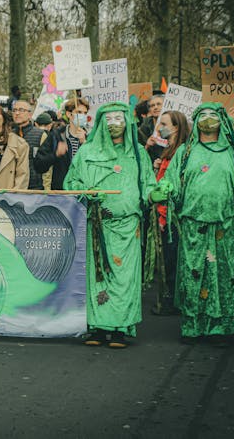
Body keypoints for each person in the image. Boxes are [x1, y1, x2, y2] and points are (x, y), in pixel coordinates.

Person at [158, 103, 234, 346]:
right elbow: (171, 179)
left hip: (226, 226)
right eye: (202, 115)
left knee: (225, 275)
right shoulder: (185, 152)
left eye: (213, 115)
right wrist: (165, 188)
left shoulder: (233, 152)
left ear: (222, 120)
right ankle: (194, 325)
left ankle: (222, 327)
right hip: (193, 226)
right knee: (194, 275)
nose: (208, 119)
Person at [64, 102, 157, 349]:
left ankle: (119, 328)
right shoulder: (86, 152)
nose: (114, 124)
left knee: (124, 277)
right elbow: (71, 182)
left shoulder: (138, 153)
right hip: (96, 225)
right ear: (100, 123)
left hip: (127, 227)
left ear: (128, 122)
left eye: (119, 119)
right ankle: (96, 326)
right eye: (109, 119)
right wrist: (85, 193)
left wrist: (154, 195)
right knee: (97, 277)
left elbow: (148, 183)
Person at [146, 111, 190, 316]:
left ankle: (173, 299)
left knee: (172, 261)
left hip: (171, 215)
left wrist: (164, 216)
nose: (159, 127)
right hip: (164, 213)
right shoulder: (168, 150)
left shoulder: (182, 152)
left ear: (176, 127)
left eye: (163, 123)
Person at [33, 98, 88, 190]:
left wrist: (84, 144)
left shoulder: (89, 137)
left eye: (85, 113)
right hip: (61, 193)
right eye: (79, 112)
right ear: (69, 114)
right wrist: (55, 155)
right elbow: (38, 165)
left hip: (83, 192)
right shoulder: (56, 136)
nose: (82, 116)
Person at [11, 100, 47, 190]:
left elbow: (47, 166)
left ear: (30, 114)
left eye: (21, 110)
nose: (17, 113)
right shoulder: (9, 135)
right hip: (12, 187)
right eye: (14, 110)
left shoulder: (40, 134)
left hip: (35, 187)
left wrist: (47, 190)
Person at [139, 95, 164, 163]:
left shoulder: (173, 124)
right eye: (152, 106)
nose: (155, 107)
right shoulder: (143, 128)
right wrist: (147, 146)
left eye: (158, 104)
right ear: (149, 110)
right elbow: (139, 154)